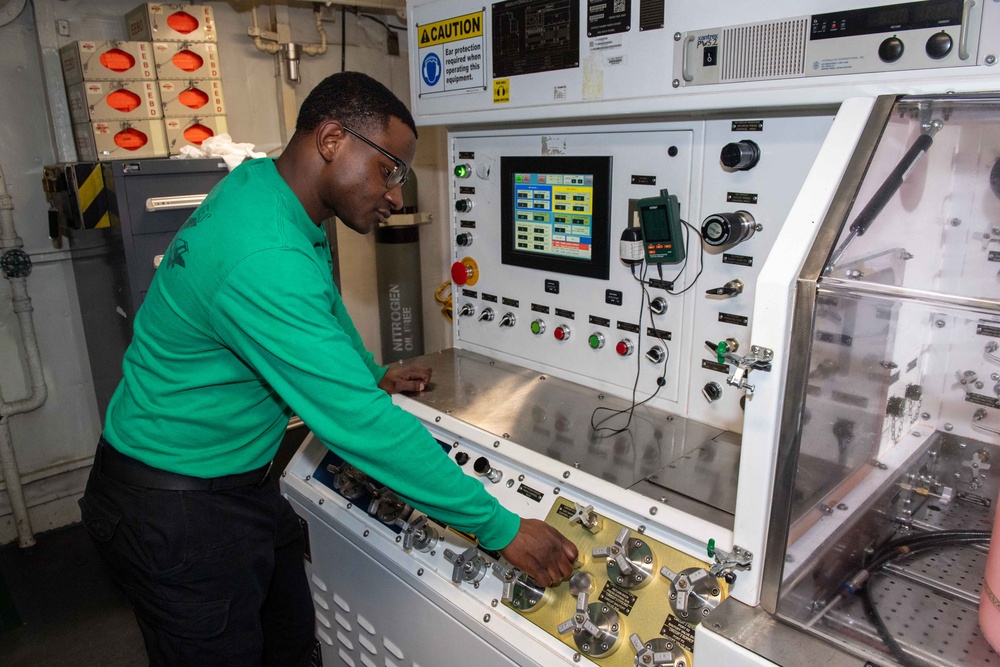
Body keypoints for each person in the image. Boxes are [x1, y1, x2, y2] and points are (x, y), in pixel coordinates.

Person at [79, 71, 578, 666]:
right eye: (389, 169)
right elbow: (359, 426)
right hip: (174, 507)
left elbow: (319, 296)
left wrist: (369, 370)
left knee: (291, 646)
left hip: (237, 482)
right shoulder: (263, 253)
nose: (394, 195)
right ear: (333, 139)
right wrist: (500, 528)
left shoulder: (267, 192)